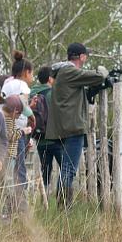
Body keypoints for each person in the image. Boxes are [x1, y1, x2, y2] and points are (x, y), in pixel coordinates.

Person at [46, 42, 109, 206]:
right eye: (85, 55)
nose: (86, 58)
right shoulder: (70, 71)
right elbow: (97, 77)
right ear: (81, 57)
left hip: (64, 127)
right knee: (69, 169)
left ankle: (63, 206)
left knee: (66, 168)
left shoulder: (62, 72)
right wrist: (104, 73)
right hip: (72, 127)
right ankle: (64, 207)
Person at [29, 65, 61, 192]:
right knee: (66, 169)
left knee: (45, 171)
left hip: (40, 138)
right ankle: (62, 200)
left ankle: (45, 201)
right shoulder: (53, 93)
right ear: (50, 79)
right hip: (55, 139)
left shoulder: (32, 93)